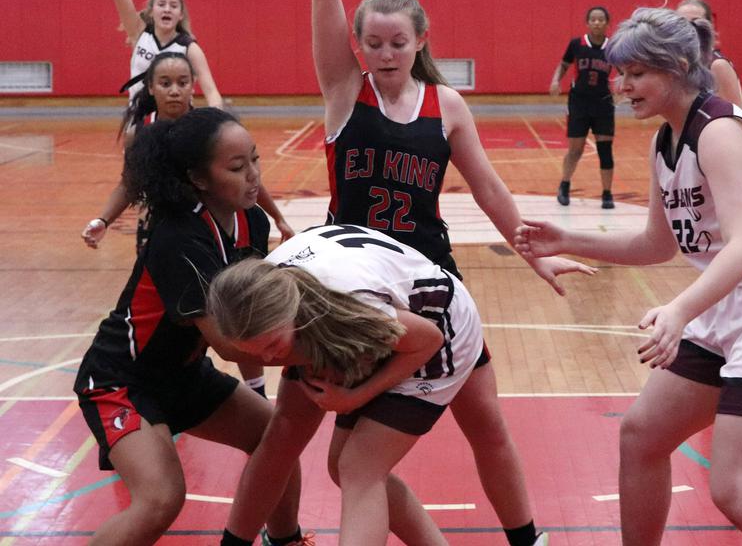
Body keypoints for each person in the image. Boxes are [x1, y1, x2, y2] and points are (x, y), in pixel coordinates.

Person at [515, 8, 742, 546]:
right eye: (620, 75)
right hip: (732, 307)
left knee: (739, 491)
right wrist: (566, 238)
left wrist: (678, 311)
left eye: (635, 74)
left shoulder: (719, 131)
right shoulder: (665, 142)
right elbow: (656, 244)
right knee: (642, 436)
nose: (621, 86)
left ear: (676, 68)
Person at [299, 0, 596, 544]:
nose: (385, 55)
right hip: (362, 295)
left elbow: (487, 187)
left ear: (420, 42)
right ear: (357, 44)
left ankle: (527, 538)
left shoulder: (447, 105)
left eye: (398, 43)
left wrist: (534, 255)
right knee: (351, 465)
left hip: (432, 287)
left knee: (486, 425)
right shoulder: (344, 92)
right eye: (374, 43)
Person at [72, 108, 311, 546]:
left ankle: (287, 540)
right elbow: (229, 342)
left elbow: (255, 310)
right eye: (237, 168)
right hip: (121, 380)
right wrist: (322, 350)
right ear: (199, 179)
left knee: (277, 440)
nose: (254, 175)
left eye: (255, 160)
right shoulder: (179, 237)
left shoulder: (250, 220)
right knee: (161, 498)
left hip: (182, 374)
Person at [208, 224, 508, 546]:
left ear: (289, 313)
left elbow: (427, 340)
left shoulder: (347, 302)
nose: (270, 360)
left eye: (273, 346)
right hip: (364, 322)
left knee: (358, 467)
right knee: (292, 436)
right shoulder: (265, 298)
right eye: (256, 353)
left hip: (439, 329)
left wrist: (357, 396)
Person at [80, 52, 294, 255]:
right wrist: (103, 220)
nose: (174, 91)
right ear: (151, 88)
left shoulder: (210, 130)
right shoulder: (139, 132)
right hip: (165, 225)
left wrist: (277, 217)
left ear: (193, 86)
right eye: (165, 84)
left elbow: (246, 175)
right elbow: (128, 184)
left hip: (211, 221)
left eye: (182, 83)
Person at [106, 0, 223, 107]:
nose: (167, 9)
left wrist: (217, 119)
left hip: (177, 121)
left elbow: (211, 91)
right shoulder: (138, 32)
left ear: (180, 15)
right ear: (151, 11)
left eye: (173, 6)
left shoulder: (189, 48)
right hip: (140, 120)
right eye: (161, 4)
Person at [549, 6, 616, 209]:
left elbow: (624, 70)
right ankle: (564, 184)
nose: (596, 23)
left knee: (605, 150)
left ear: (607, 23)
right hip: (579, 102)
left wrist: (625, 86)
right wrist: (555, 81)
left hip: (603, 102)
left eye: (600, 19)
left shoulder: (613, 47)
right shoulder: (577, 44)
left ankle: (607, 193)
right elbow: (563, 64)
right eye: (593, 19)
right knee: (575, 149)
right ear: (587, 23)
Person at [677, 0, 742, 109]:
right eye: (683, 22)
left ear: (709, 26)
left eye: (695, 21)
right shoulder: (678, 63)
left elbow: (738, 118)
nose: (689, 28)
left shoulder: (718, 65)